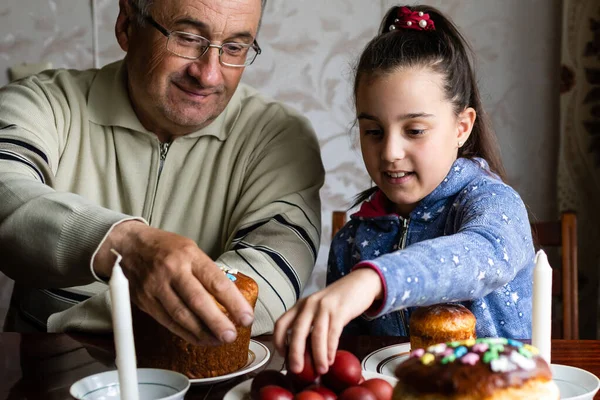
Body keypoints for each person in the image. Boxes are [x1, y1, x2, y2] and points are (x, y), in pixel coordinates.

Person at [0, 0, 324, 346]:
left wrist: (73, 322)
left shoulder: (280, 137)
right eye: (187, 38)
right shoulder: (42, 102)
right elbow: (7, 190)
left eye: (234, 47)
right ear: (127, 25)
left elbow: (269, 284)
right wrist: (127, 245)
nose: (209, 74)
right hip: (47, 380)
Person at [274, 5, 534, 376]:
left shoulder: (492, 202)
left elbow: (485, 252)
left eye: (414, 130)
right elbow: (349, 366)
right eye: (374, 131)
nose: (391, 153)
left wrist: (373, 279)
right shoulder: (353, 241)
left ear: (462, 127)